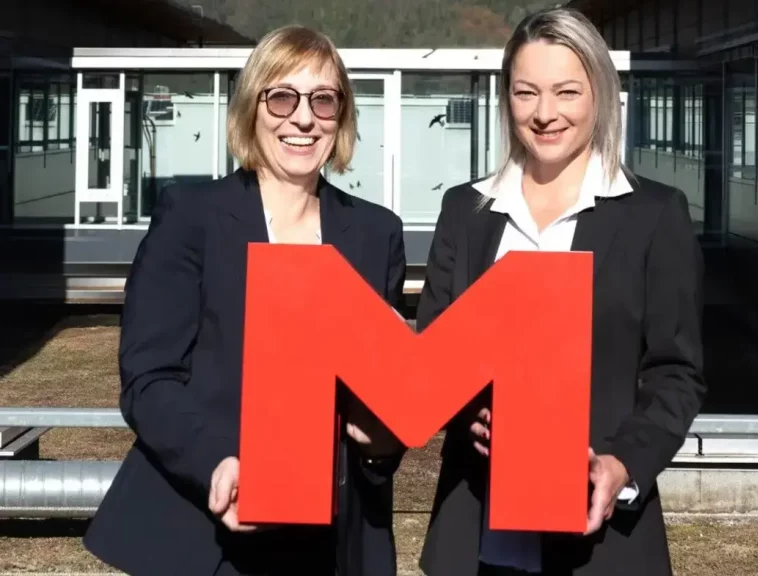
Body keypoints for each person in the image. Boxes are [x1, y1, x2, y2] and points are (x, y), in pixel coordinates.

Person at [84, 25, 406, 576]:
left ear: (342, 115)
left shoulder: (377, 235)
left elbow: (380, 406)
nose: (303, 118)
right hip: (203, 533)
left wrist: (381, 442)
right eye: (281, 97)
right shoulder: (192, 216)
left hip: (332, 541)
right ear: (250, 108)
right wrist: (217, 462)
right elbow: (149, 377)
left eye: (322, 100)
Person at [416, 7, 705, 576]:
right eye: (526, 93)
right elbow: (433, 353)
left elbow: (677, 373)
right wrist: (467, 409)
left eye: (566, 92)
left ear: (599, 94)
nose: (545, 114)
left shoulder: (655, 215)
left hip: (603, 542)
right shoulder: (465, 212)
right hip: (476, 534)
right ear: (507, 100)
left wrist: (621, 465)